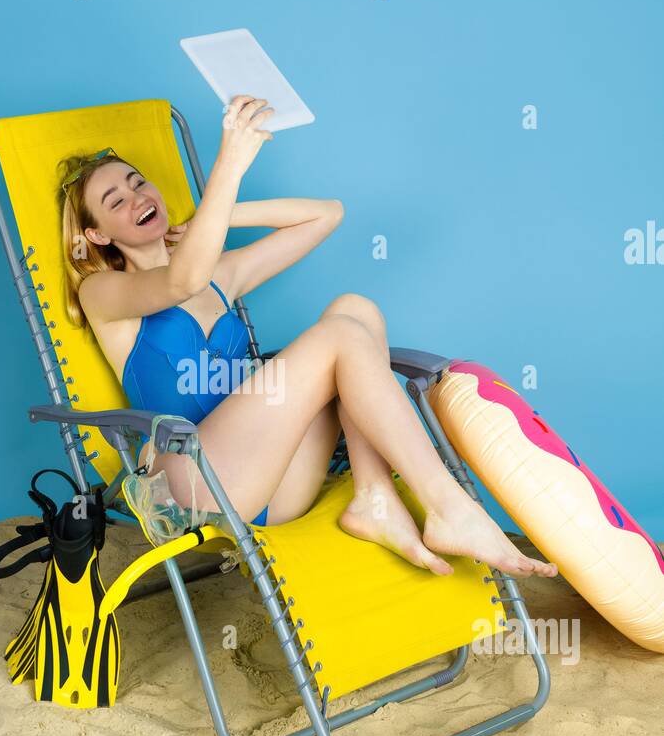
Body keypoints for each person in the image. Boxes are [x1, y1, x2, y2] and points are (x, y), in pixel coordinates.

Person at [57, 95, 557, 579]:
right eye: (114, 201)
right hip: (193, 485)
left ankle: (374, 498)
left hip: (270, 480)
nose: (137, 197)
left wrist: (212, 218)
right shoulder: (104, 295)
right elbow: (177, 283)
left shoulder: (217, 276)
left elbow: (327, 214)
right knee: (339, 334)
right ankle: (449, 506)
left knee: (355, 310)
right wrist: (229, 166)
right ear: (98, 235)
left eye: (137, 182)